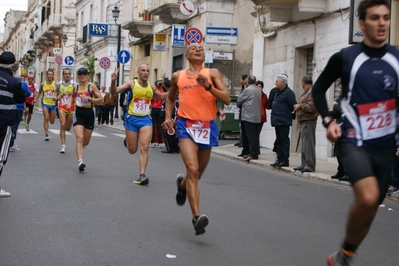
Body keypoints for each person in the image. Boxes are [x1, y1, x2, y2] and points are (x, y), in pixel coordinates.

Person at [311, 1, 399, 265]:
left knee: (371, 208)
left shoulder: (396, 58)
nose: (382, 23)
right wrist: (329, 121)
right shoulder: (346, 57)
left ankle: (344, 253)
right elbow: (318, 89)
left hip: (385, 146)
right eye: (374, 18)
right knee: (369, 196)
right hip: (354, 141)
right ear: (362, 23)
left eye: (385, 18)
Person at [162, 43, 231, 235]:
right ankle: (196, 217)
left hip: (207, 126)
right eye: (193, 48)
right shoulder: (178, 76)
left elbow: (226, 99)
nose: (198, 49)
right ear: (186, 55)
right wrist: (169, 118)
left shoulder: (213, 73)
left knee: (197, 174)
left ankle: (182, 185)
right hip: (186, 125)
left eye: (200, 48)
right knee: (192, 169)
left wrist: (208, 87)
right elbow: (169, 98)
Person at [110, 64, 168, 185]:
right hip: (131, 119)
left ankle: (142, 175)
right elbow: (114, 91)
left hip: (146, 119)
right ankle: (129, 139)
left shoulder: (151, 87)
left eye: (147, 71)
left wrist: (176, 90)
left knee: (145, 147)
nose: (145, 73)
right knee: (132, 150)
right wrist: (113, 80)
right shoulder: (131, 84)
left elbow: (161, 96)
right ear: (138, 72)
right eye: (143, 70)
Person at [0, 51, 26, 197]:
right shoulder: (13, 82)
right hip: (4, 123)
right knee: (1, 155)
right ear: (12, 65)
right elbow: (21, 98)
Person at [73, 67, 103, 172]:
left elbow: (101, 100)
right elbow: (73, 98)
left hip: (89, 113)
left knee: (85, 141)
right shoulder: (75, 87)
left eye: (84, 74)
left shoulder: (92, 87)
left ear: (87, 76)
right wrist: (69, 104)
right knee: (79, 138)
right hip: (79, 113)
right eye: (80, 74)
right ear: (78, 76)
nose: (82, 76)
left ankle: (81, 147)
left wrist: (89, 99)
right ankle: (80, 161)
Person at [270, 74, 297, 168]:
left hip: (283, 120)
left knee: (284, 140)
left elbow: (293, 106)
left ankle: (285, 160)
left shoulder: (288, 93)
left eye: (277, 81)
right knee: (279, 141)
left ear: (283, 83)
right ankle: (279, 158)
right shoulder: (277, 92)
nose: (275, 83)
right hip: (277, 120)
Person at [293, 75, 318, 173]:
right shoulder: (307, 92)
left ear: (304, 82)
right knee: (304, 144)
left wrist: (300, 106)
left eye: (301, 82)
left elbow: (311, 107)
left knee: (308, 144)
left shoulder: (312, 92)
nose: (301, 84)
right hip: (304, 121)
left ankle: (310, 165)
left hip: (309, 121)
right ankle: (304, 163)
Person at [237, 75, 262, 162]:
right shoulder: (258, 90)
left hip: (248, 116)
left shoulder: (247, 90)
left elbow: (239, 99)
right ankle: (254, 152)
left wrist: (243, 101)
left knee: (250, 137)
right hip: (256, 116)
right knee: (255, 136)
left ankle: (252, 153)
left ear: (247, 82)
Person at [330, 82, 348, 181]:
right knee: (338, 150)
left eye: (340, 88)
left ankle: (347, 172)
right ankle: (340, 171)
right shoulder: (338, 100)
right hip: (339, 126)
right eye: (338, 88)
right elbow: (337, 114)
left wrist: (336, 106)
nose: (338, 90)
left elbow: (344, 111)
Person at [9, 69, 31, 152]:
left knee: (9, 125)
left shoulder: (10, 82)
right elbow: (28, 94)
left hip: (10, 107)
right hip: (19, 107)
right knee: (15, 126)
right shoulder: (23, 84)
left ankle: (9, 143)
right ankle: (11, 144)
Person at [33, 69, 57, 141]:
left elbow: (58, 92)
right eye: (48, 74)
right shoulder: (43, 84)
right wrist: (35, 99)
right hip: (45, 103)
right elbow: (39, 92)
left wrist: (56, 96)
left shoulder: (55, 84)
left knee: (52, 121)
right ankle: (46, 134)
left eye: (51, 74)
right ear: (46, 75)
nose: (50, 76)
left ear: (53, 75)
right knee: (46, 118)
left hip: (52, 104)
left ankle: (48, 128)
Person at [56, 68, 76, 154]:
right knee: (63, 124)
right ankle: (63, 145)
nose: (67, 75)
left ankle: (64, 139)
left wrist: (71, 102)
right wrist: (55, 97)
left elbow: (75, 96)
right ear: (63, 75)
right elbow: (56, 93)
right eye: (65, 74)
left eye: (68, 74)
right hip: (62, 106)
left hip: (71, 108)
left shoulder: (74, 84)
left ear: (70, 75)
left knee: (68, 128)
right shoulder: (59, 84)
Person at [256, 80, 270, 155]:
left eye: (260, 86)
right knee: (254, 134)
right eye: (257, 86)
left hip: (261, 117)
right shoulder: (253, 94)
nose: (259, 88)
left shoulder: (264, 96)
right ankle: (255, 149)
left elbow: (267, 106)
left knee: (257, 133)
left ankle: (257, 149)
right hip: (254, 116)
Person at [149, 80, 165, 148]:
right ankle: (160, 142)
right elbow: (163, 99)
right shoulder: (161, 91)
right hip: (160, 109)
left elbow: (151, 99)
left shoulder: (154, 91)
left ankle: (152, 142)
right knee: (159, 126)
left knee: (152, 125)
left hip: (153, 108)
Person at [234, 74, 248, 147]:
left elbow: (242, 98)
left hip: (244, 111)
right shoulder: (243, 87)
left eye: (241, 79)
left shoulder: (246, 89)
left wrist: (239, 103)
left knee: (243, 127)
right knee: (241, 126)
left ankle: (242, 141)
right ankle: (240, 140)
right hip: (241, 110)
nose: (240, 81)